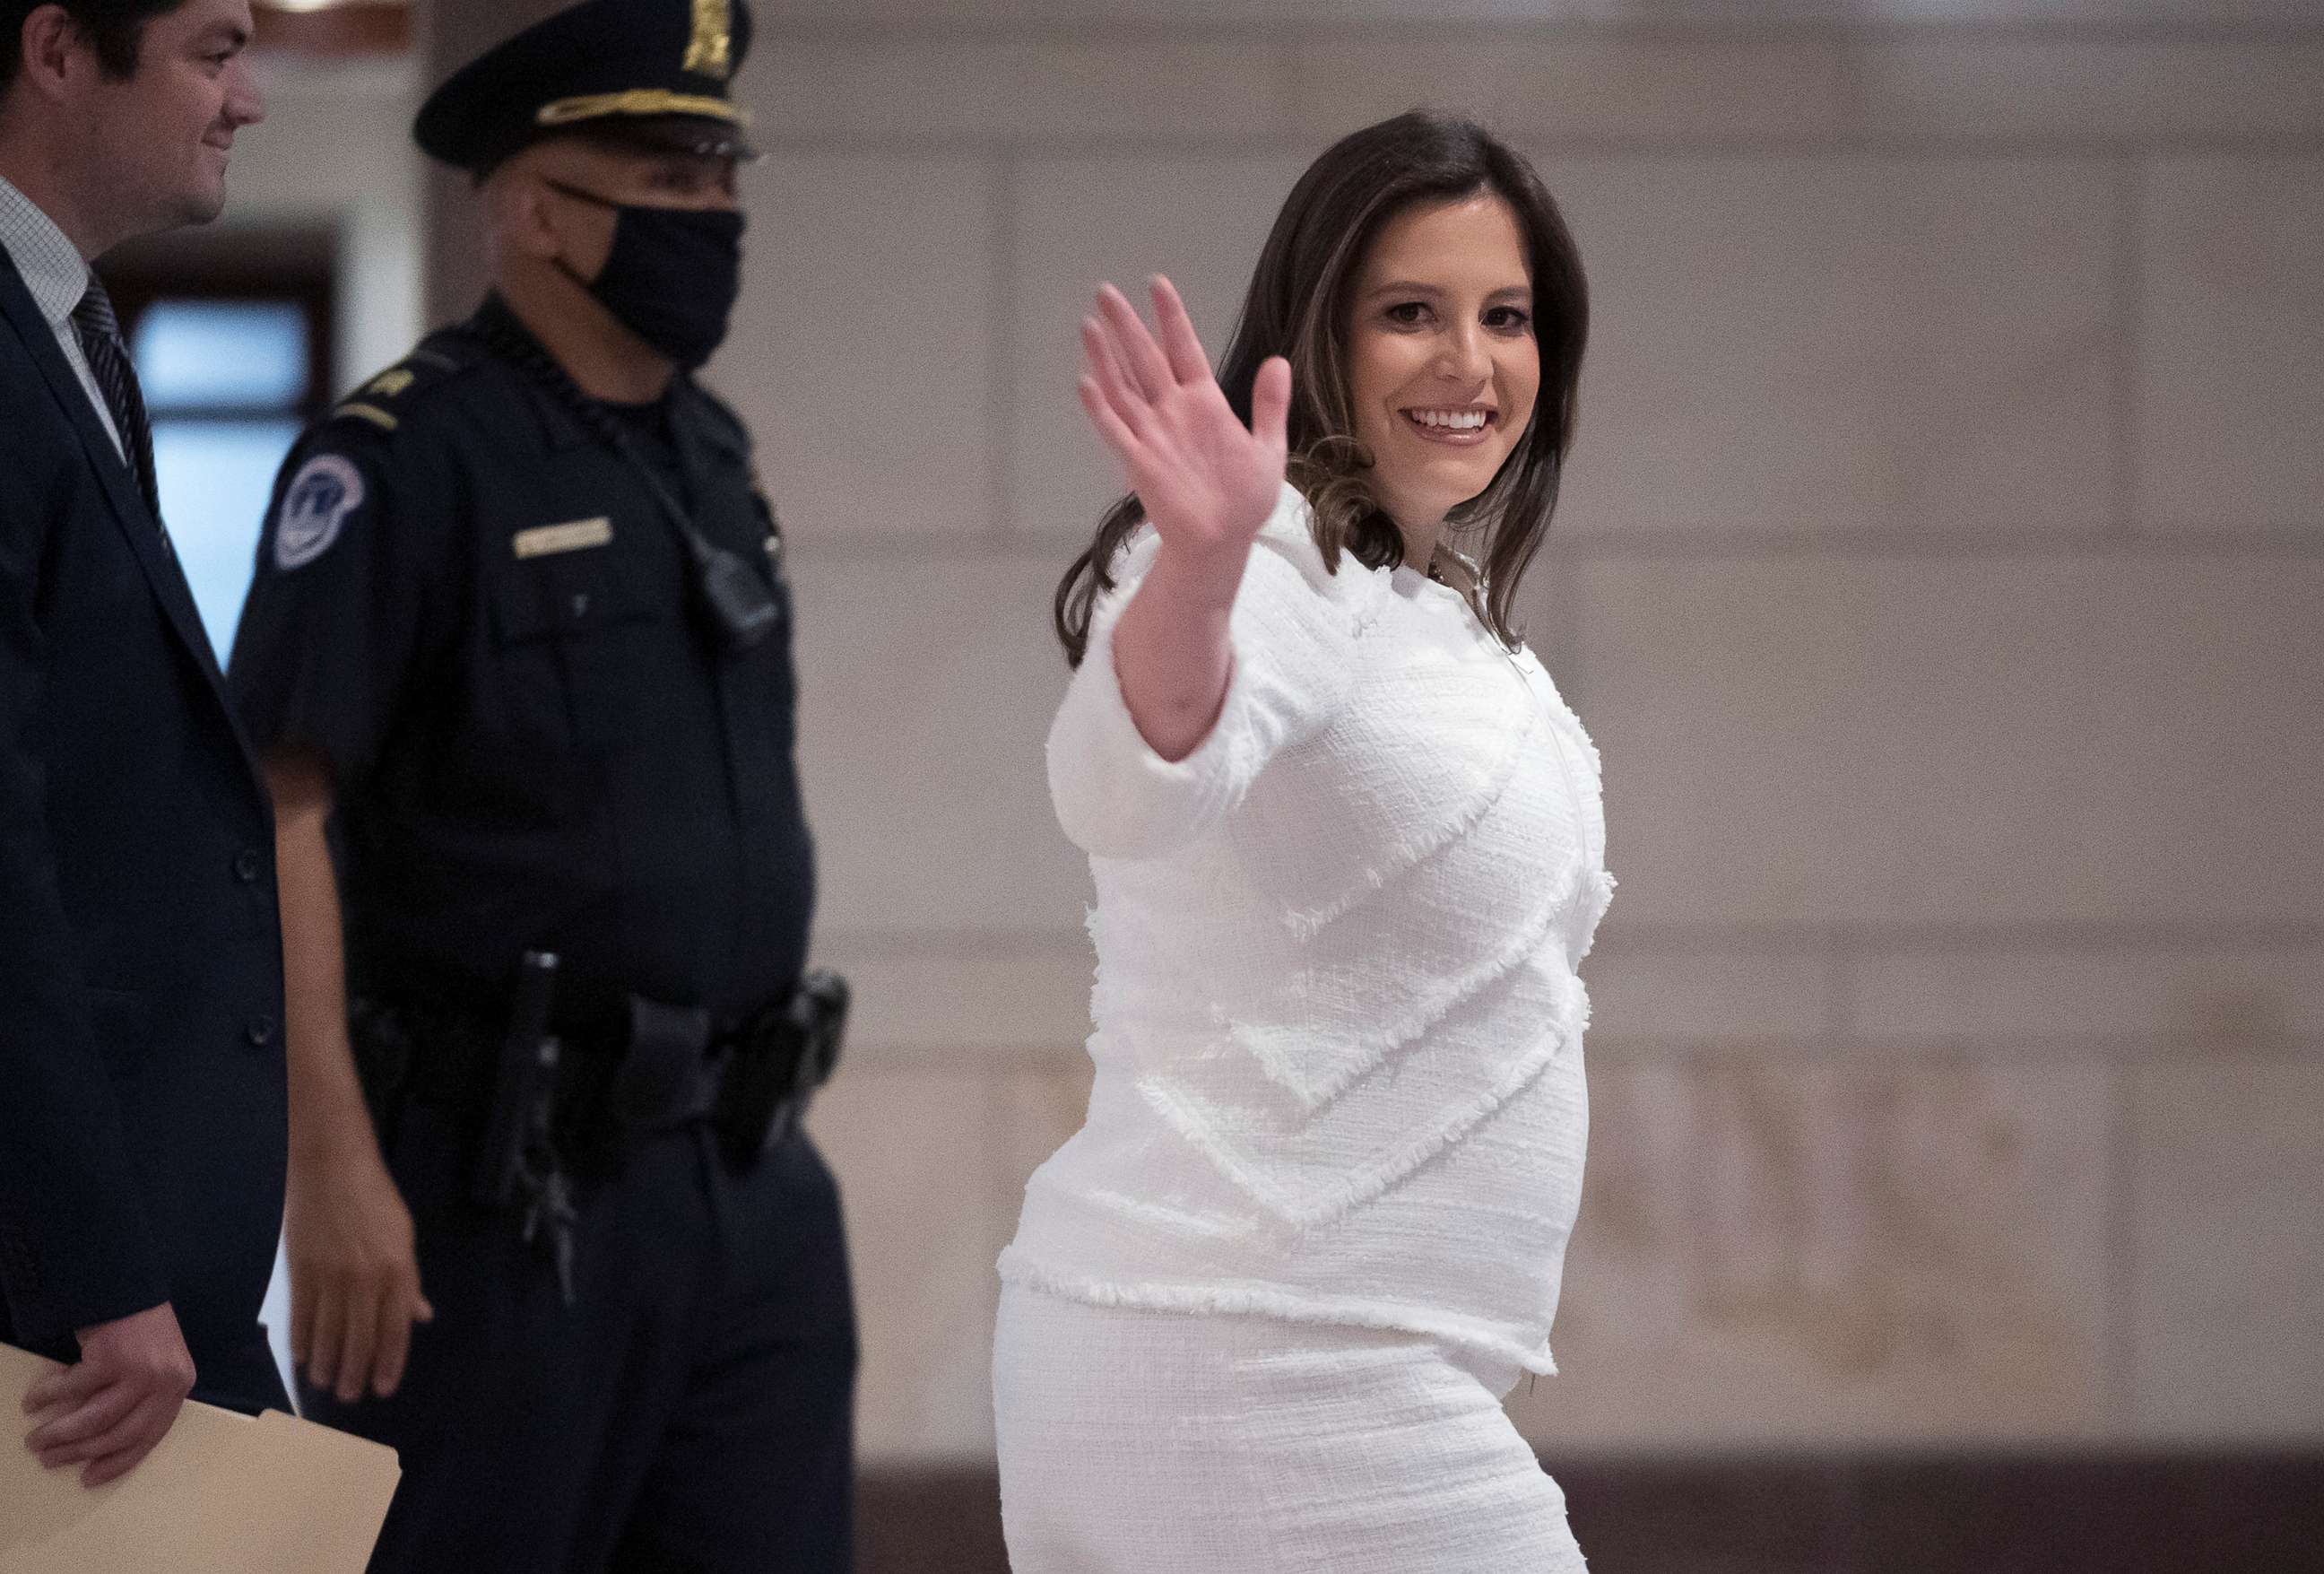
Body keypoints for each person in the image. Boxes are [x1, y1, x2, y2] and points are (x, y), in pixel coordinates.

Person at [224, 1, 855, 1568]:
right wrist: (330, 1167)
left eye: (723, 179)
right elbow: (278, 810)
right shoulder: (399, 463)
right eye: (667, 179)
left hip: (749, 1175)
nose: (714, 215)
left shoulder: (711, 452)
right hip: (501, 1204)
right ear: (537, 212)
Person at [993, 111, 1607, 1571]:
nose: (1470, 362)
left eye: (1504, 317)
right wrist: (1199, 574)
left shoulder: (1416, 600)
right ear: (1318, 330)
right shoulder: (1272, 559)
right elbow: (1128, 788)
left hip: (1292, 1349)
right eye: (1412, 313)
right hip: (1262, 1359)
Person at [0, 0, 275, 1491]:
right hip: (67, 1297)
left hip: (129, 1257)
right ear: (56, 52)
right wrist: (97, 1263)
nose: (251, 98)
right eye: (213, 49)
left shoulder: (63, 330)